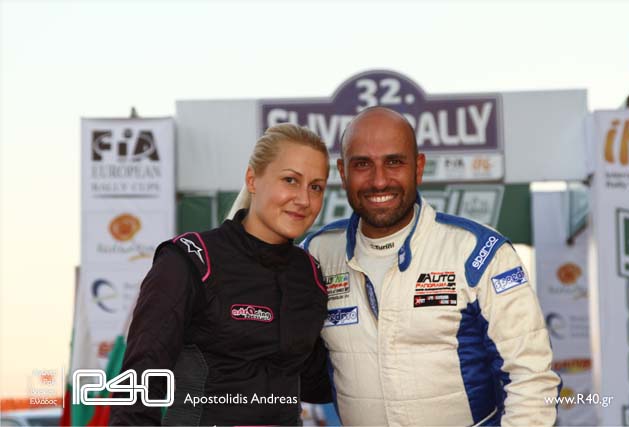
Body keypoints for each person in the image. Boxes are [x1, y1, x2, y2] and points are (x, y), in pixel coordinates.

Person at [303, 107, 562, 426]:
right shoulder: (317, 254)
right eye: (362, 164)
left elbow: (532, 379)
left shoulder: (479, 251)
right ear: (343, 172)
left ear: (419, 168)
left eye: (394, 162)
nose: (379, 180)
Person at [110, 124, 331, 426]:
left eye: (316, 187)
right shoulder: (190, 260)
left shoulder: (310, 274)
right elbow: (138, 385)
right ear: (252, 179)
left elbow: (319, 381)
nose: (304, 199)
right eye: (290, 180)